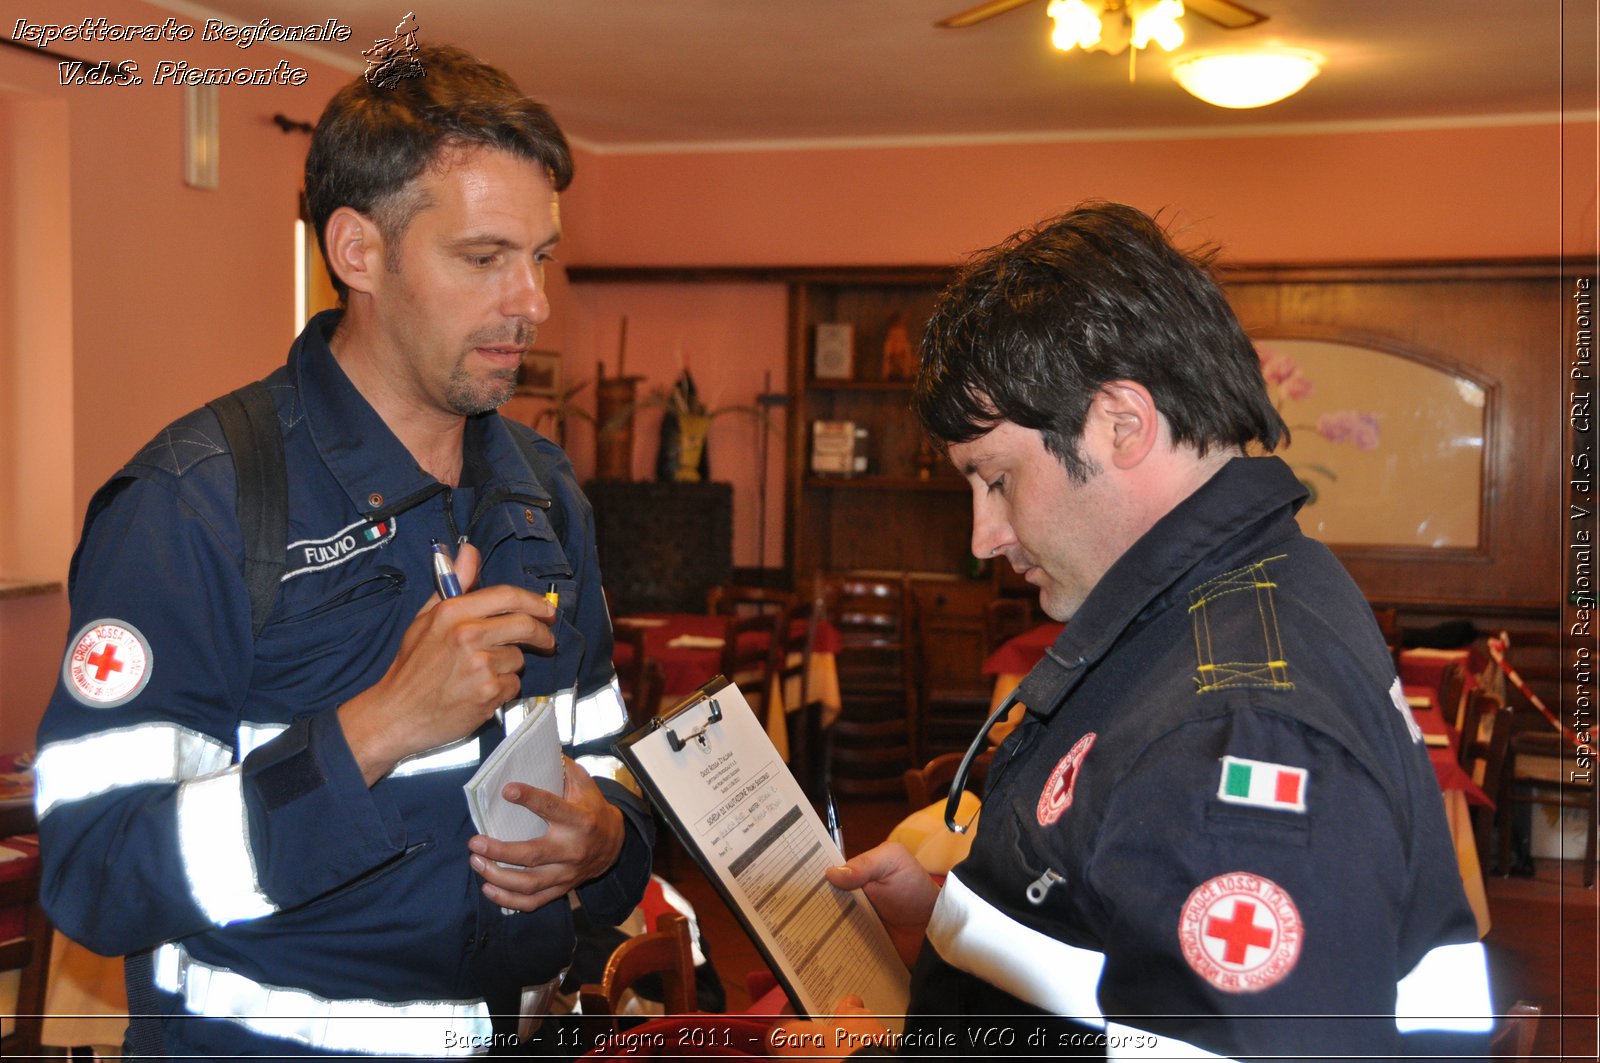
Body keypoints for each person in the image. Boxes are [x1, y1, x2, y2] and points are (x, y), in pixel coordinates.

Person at [34, 45, 652, 1059]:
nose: (532, 302)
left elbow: (606, 758)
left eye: (539, 256)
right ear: (359, 251)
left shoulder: (544, 494)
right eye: (484, 257)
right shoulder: (194, 507)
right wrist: (375, 729)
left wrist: (605, 836)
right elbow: (97, 874)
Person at [775, 203, 1492, 1059]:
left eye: (997, 478)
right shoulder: (1246, 588)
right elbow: (1128, 940)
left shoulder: (1231, 726)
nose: (983, 537)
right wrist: (957, 934)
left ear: (1121, 422)